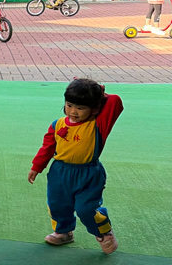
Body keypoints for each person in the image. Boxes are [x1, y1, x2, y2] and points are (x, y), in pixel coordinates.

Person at [28, 78, 123, 254]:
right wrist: (36, 167)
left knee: (86, 209)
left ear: (95, 108)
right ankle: (63, 232)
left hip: (88, 174)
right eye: (69, 105)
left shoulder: (98, 124)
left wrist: (98, 92)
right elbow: (47, 148)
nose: (73, 111)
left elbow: (115, 101)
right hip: (59, 172)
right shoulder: (57, 125)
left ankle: (104, 233)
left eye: (81, 108)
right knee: (57, 204)